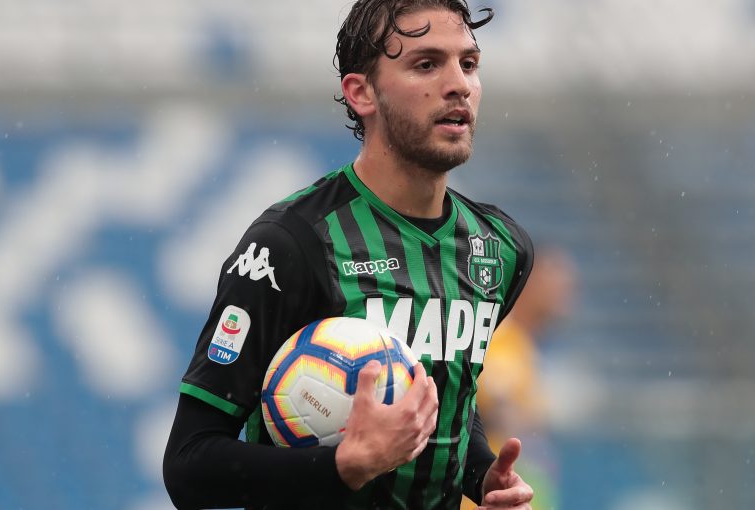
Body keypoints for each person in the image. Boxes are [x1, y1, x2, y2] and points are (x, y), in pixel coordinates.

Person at [163, 1, 535, 508]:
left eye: (468, 64)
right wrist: (342, 468)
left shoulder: (501, 248)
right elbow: (190, 464)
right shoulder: (288, 246)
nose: (459, 85)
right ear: (362, 93)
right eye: (427, 64)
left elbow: (451, 392)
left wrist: (482, 475)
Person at [462, 247, 577, 510]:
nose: (566, 292)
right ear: (530, 281)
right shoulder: (500, 337)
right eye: (556, 281)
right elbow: (491, 411)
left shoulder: (525, 344)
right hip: (484, 494)